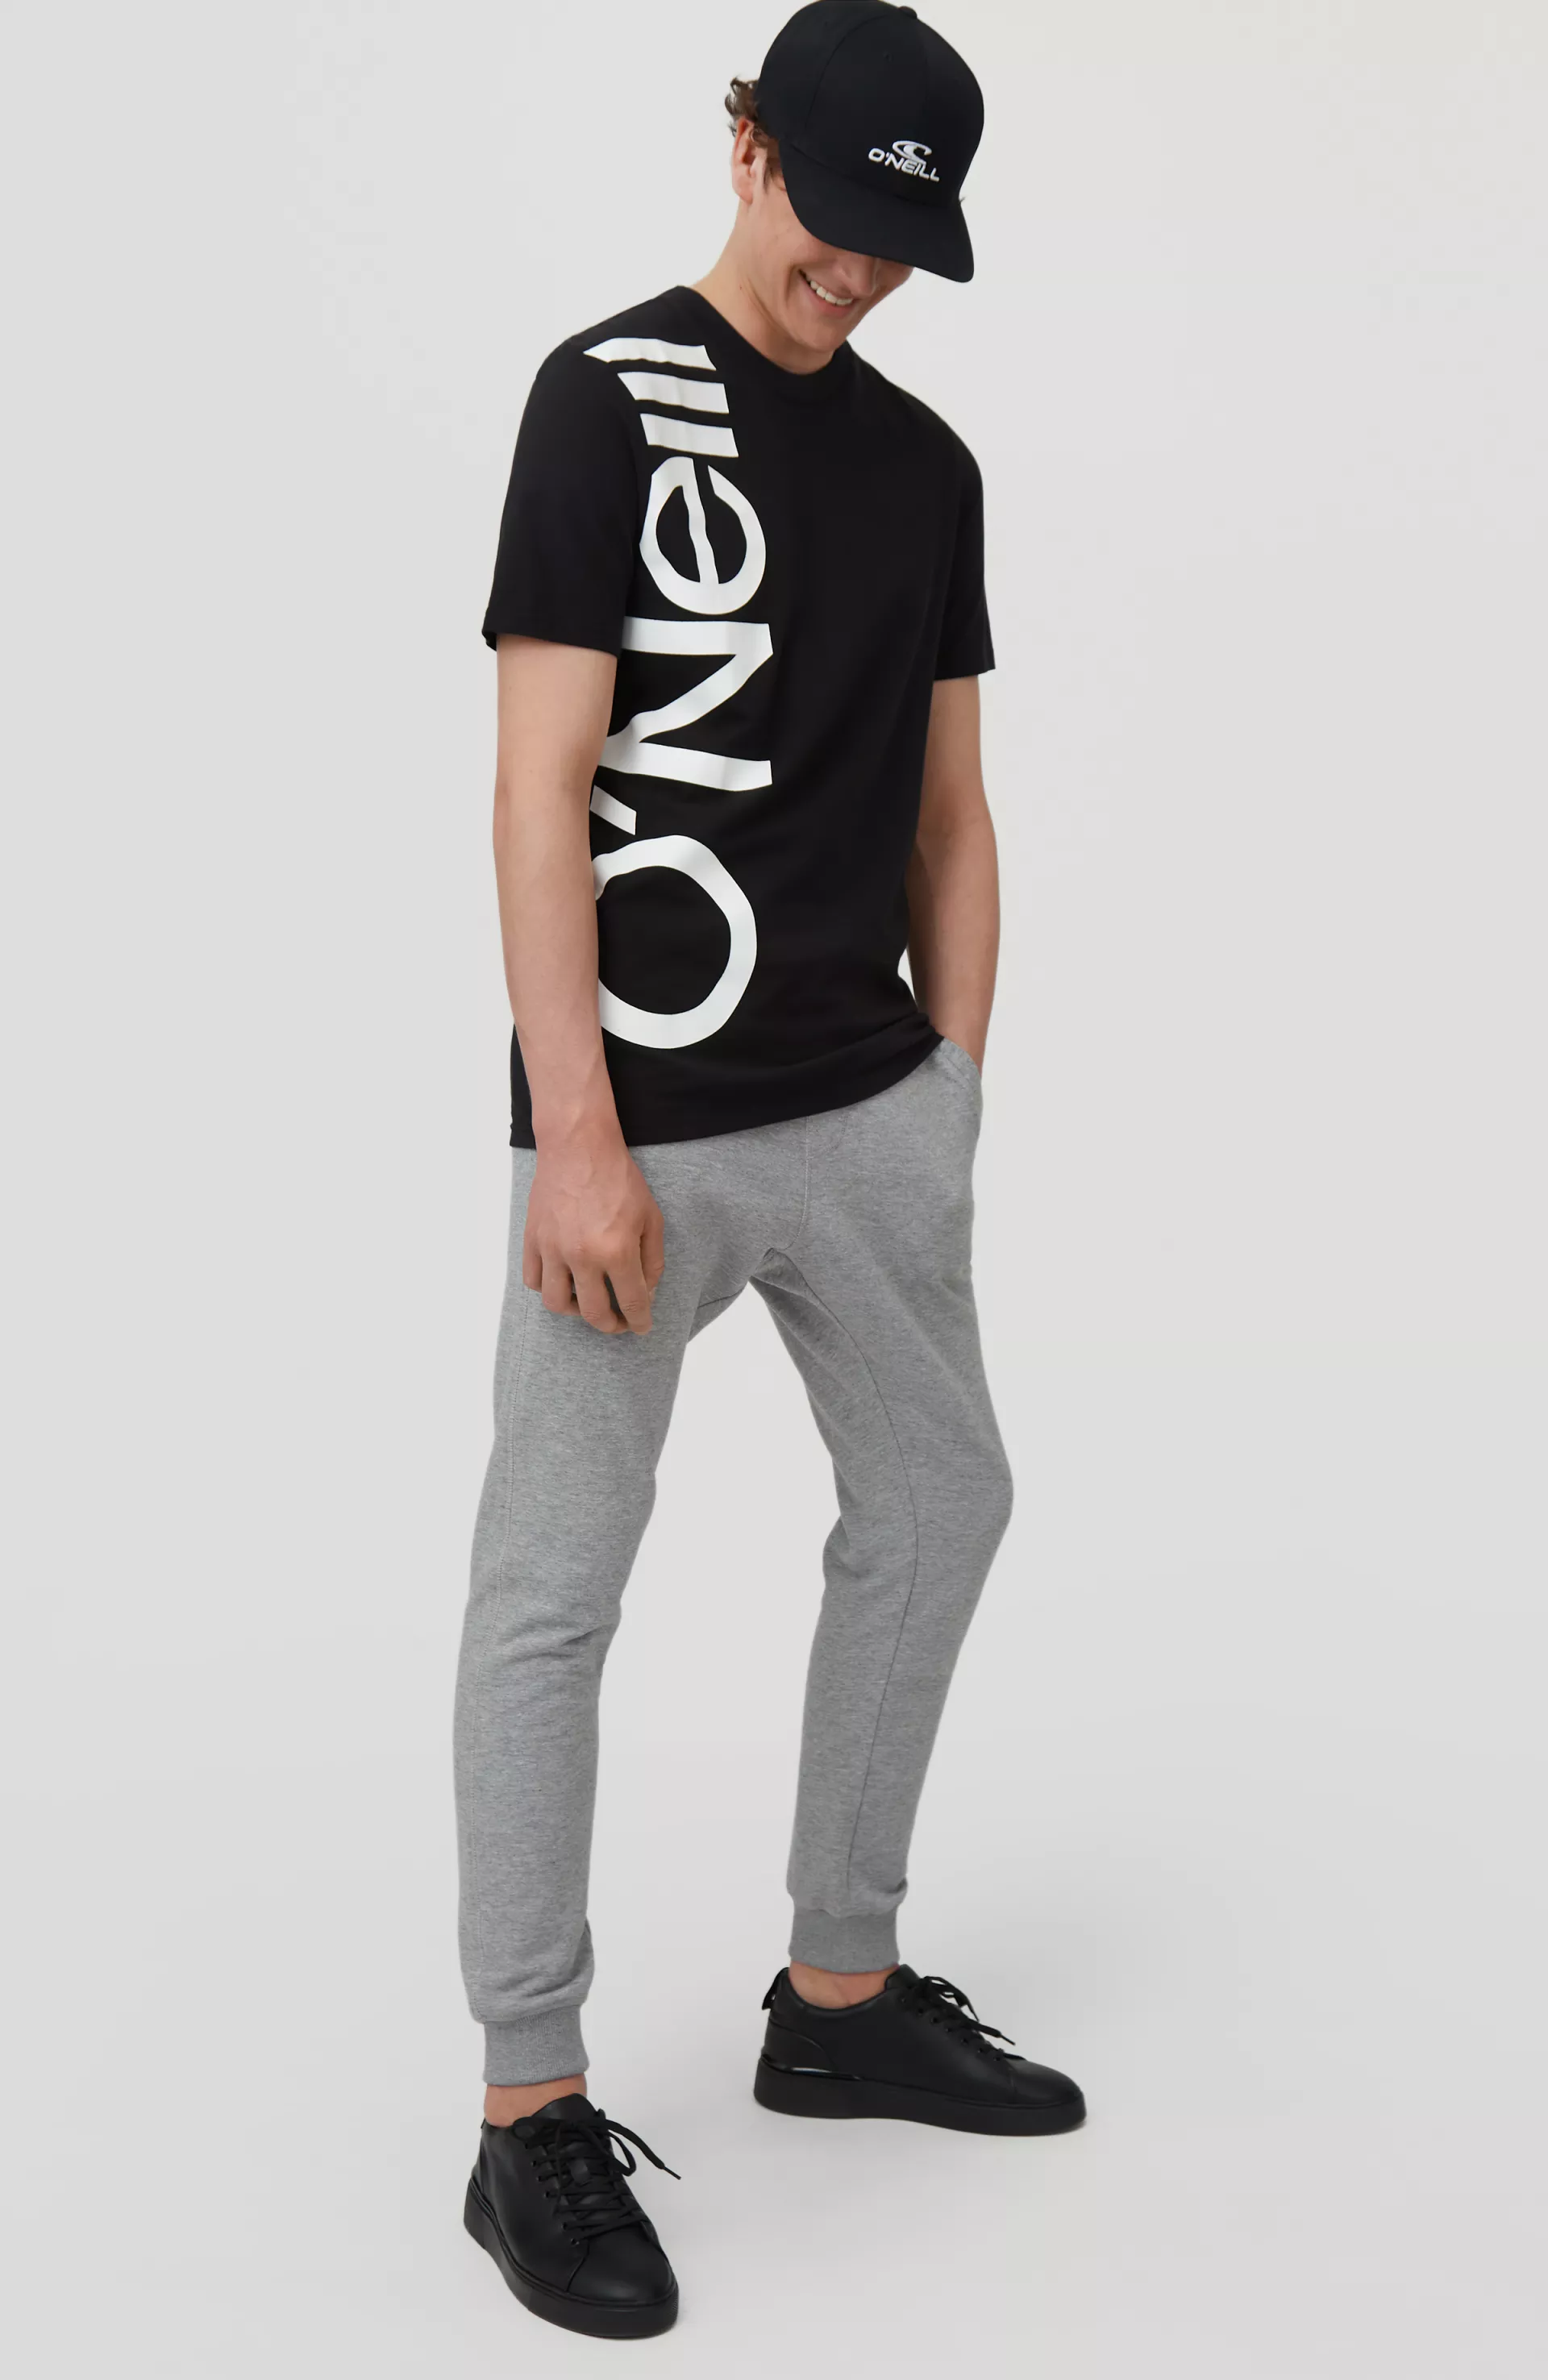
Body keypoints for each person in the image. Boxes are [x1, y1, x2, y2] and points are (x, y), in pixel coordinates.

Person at [454, 0, 1084, 2340]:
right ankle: (527, 2111)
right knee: (553, 1589)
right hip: (642, 1133)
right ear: (746, 147)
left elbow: (954, 811)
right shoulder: (604, 398)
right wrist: (578, 1134)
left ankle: (838, 1994)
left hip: (867, 1112)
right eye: (833, 219)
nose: (859, 273)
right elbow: (537, 786)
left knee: (945, 1496)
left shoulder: (929, 471)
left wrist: (955, 1095)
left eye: (902, 243)